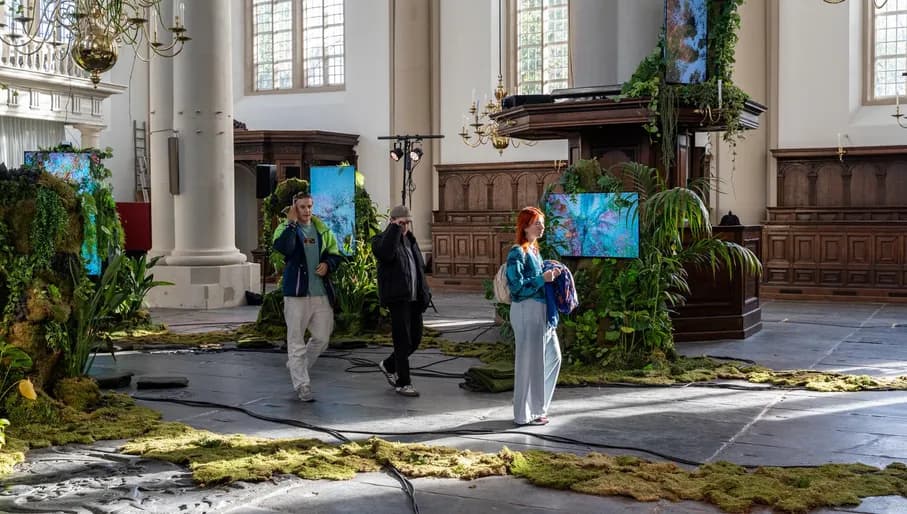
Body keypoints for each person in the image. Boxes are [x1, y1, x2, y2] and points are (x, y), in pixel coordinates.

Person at [272, 191, 343, 402]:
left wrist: (328, 264)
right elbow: (284, 248)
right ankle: (302, 384)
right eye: (303, 207)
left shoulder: (322, 229)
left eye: (310, 206)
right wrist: (292, 224)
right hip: (296, 294)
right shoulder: (284, 229)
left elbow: (335, 254)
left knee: (322, 338)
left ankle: (297, 365)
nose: (307, 211)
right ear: (295, 208)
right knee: (295, 341)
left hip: (320, 292)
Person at [506, 206, 562, 426]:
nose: (542, 227)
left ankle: (538, 408)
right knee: (529, 362)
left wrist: (550, 273)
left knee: (552, 357)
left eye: (542, 223)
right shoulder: (517, 252)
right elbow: (516, 287)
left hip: (539, 311)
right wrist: (543, 279)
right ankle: (525, 414)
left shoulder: (534, 251)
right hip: (525, 310)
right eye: (538, 223)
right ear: (526, 225)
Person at [372, 204, 432, 397]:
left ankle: (388, 365)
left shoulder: (410, 241)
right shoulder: (382, 240)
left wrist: (425, 294)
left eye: (407, 223)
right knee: (402, 340)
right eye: (401, 223)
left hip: (414, 299)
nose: (405, 227)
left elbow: (419, 269)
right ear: (392, 222)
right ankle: (403, 383)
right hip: (398, 298)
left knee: (415, 339)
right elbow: (386, 254)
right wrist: (394, 230)